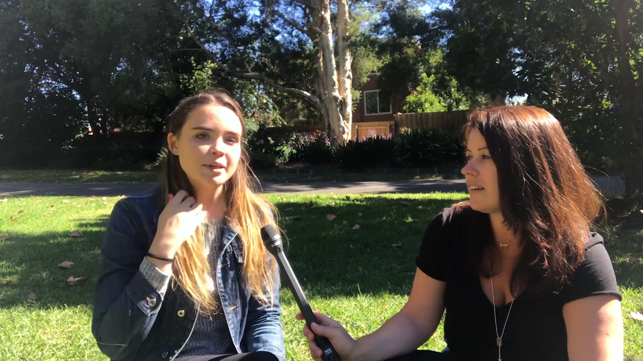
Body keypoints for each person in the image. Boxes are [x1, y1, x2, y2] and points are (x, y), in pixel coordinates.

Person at [298, 106, 623, 361]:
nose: (467, 169)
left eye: (485, 157)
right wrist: (355, 351)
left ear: (529, 168)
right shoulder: (450, 229)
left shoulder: (582, 256)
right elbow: (416, 319)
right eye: (469, 157)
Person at [92, 91, 285, 361]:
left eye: (231, 139)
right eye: (202, 135)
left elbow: (264, 315)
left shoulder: (256, 217)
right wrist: (162, 249)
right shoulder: (134, 216)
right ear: (174, 143)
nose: (218, 148)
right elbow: (112, 342)